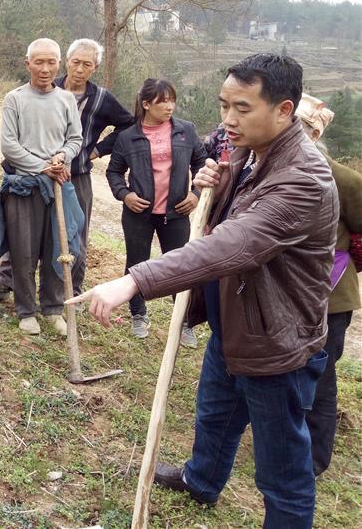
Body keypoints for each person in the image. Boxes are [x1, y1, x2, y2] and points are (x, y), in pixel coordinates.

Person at [69, 54, 335, 527]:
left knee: (282, 470)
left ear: (283, 109)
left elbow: (233, 245)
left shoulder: (305, 178)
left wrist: (135, 280)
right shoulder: (252, 153)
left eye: (242, 108)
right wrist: (223, 178)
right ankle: (201, 481)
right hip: (234, 325)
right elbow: (226, 218)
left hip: (276, 344)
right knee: (214, 417)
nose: (228, 119)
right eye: (223, 105)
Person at [0, 38, 134, 303]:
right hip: (30, 177)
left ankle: (69, 292)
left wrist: (97, 149)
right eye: (75, 62)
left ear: (95, 68)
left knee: (73, 235)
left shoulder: (101, 99)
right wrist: (41, 166)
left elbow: (128, 125)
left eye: (86, 64)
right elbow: (10, 143)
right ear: (65, 62)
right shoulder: (46, 86)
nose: (79, 69)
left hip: (74, 176)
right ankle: (6, 283)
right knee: (23, 236)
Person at [0, 38, 82, 336]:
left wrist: (62, 156)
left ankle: (53, 308)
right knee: (23, 250)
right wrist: (43, 166)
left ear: (59, 64)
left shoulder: (66, 100)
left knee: (58, 247)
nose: (45, 69)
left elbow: (75, 139)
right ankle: (26, 309)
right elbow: (9, 146)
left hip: (57, 188)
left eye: (51, 62)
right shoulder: (15, 98)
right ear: (27, 63)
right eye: (38, 62)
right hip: (24, 187)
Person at [105, 78, 205, 344]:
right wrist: (126, 195)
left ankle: (184, 321)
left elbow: (202, 164)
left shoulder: (185, 131)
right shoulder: (129, 137)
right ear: (146, 104)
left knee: (180, 267)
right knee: (136, 262)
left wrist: (195, 194)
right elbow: (114, 171)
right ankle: (138, 315)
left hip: (176, 213)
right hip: (139, 213)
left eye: (172, 100)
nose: (170, 106)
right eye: (163, 102)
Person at [295, 93, 360, 477]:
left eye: (299, 131)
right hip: (287, 291)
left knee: (320, 373)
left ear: (314, 134)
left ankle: (315, 457)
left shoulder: (341, 178)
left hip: (329, 295)